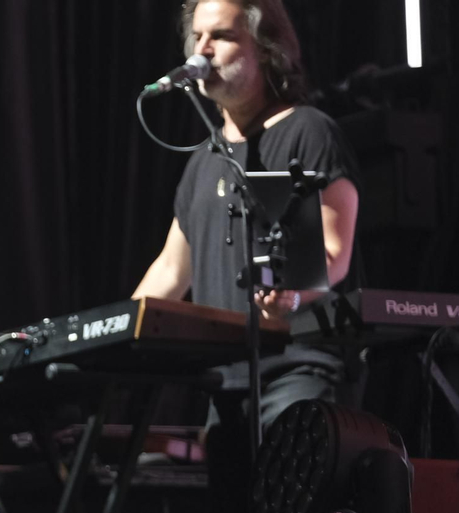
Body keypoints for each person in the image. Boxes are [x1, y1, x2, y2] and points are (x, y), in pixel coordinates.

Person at [133, 0, 362, 427]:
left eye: (221, 36)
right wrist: (118, 329)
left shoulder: (308, 131)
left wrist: (291, 295)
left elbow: (335, 252)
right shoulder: (204, 160)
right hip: (223, 382)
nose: (202, 51)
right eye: (197, 37)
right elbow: (171, 269)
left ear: (266, 49)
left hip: (297, 370)